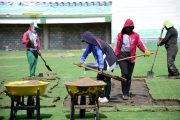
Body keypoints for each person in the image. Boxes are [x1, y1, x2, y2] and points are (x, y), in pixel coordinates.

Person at [114, 18, 151, 100]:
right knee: (124, 74)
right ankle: (124, 93)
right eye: (128, 27)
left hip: (131, 57)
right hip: (122, 56)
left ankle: (127, 92)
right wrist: (115, 56)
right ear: (125, 27)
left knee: (129, 76)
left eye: (131, 27)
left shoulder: (136, 35)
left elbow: (140, 44)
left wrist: (145, 50)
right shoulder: (120, 35)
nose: (129, 28)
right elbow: (117, 47)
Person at [78, 31, 117, 103]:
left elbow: (100, 56)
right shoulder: (91, 45)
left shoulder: (97, 45)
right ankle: (101, 95)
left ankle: (106, 97)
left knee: (107, 78)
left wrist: (101, 67)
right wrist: (81, 61)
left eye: (86, 41)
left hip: (110, 60)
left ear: (89, 39)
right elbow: (85, 53)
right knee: (99, 78)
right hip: (104, 61)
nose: (86, 42)